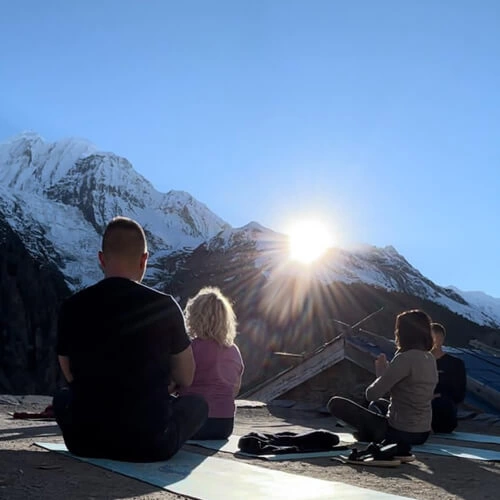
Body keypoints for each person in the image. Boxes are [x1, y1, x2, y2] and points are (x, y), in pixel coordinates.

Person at [53, 216, 208, 461]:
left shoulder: (72, 306)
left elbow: (69, 373)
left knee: (62, 398)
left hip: (84, 441)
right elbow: (186, 377)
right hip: (150, 444)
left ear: (101, 259)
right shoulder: (165, 306)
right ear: (144, 260)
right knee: (198, 405)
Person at [328, 309, 438, 461]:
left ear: (404, 333)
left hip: (401, 432)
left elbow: (371, 394)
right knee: (379, 404)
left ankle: (370, 433)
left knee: (336, 403)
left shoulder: (405, 358)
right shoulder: (430, 358)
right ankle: (368, 433)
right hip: (422, 432)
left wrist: (380, 374)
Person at [178, 286, 244, 439]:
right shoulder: (233, 350)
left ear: (194, 317)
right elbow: (234, 390)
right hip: (225, 425)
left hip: (192, 424)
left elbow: (176, 383)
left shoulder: (189, 349)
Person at [431, 322, 466, 433]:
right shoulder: (418, 361)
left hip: (442, 409)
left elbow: (459, 394)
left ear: (441, 339)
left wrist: (437, 395)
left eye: (436, 337)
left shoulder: (455, 364)